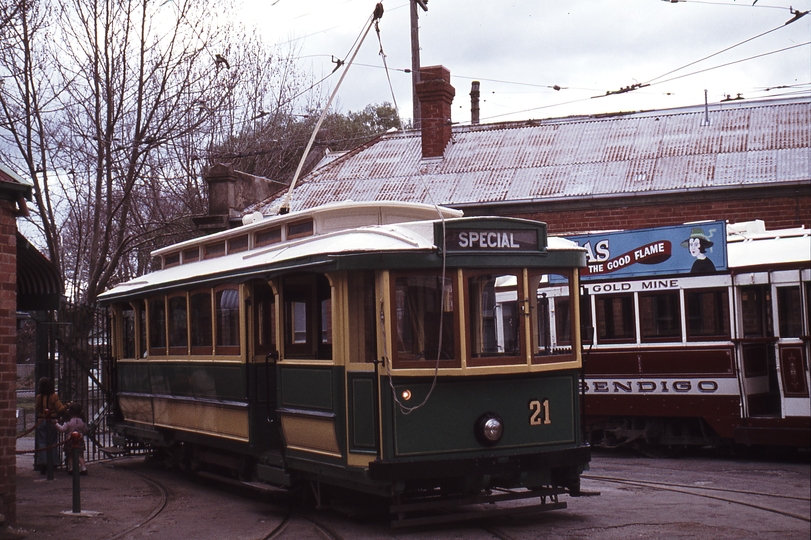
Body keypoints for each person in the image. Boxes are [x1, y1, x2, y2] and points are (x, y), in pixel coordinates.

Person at [34, 377, 67, 473]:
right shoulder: (54, 396)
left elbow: (37, 409)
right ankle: (53, 463)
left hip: (41, 421)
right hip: (52, 421)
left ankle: (43, 463)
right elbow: (60, 409)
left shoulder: (39, 397)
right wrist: (67, 406)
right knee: (52, 442)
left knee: (42, 443)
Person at [56, 401, 88, 475]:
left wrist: (56, 424)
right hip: (79, 439)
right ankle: (83, 468)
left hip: (70, 440)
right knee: (80, 455)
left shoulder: (68, 421)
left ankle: (71, 468)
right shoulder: (81, 421)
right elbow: (85, 430)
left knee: (70, 455)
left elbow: (62, 429)